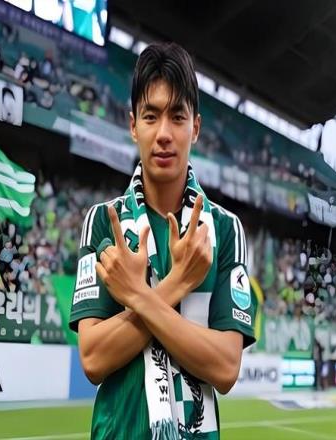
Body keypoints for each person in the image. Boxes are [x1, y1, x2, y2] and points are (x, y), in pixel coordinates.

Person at [69, 42, 256, 439]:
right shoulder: (103, 222)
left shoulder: (225, 230)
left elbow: (226, 368)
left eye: (177, 116)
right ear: (133, 124)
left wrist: (137, 296)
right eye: (151, 116)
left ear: (196, 128)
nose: (164, 134)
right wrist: (178, 283)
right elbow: (93, 359)